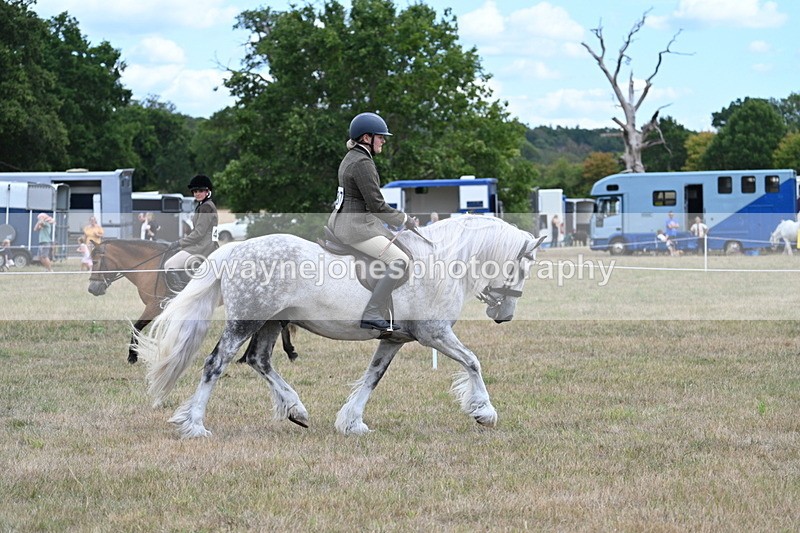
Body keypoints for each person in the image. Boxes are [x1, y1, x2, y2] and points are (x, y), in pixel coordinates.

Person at [328, 112, 416, 332]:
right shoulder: (362, 163)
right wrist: (404, 219)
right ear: (367, 138)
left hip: (346, 221)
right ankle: (373, 312)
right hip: (355, 228)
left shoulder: (352, 157)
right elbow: (377, 205)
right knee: (400, 260)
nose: (383, 141)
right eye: (380, 137)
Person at [164, 174, 219, 291]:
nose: (197, 193)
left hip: (202, 247)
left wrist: (179, 243)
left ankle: (180, 296)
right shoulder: (204, 205)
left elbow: (198, 234)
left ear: (207, 191)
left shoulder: (206, 207)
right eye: (195, 191)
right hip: (207, 245)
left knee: (169, 265)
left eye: (200, 191)